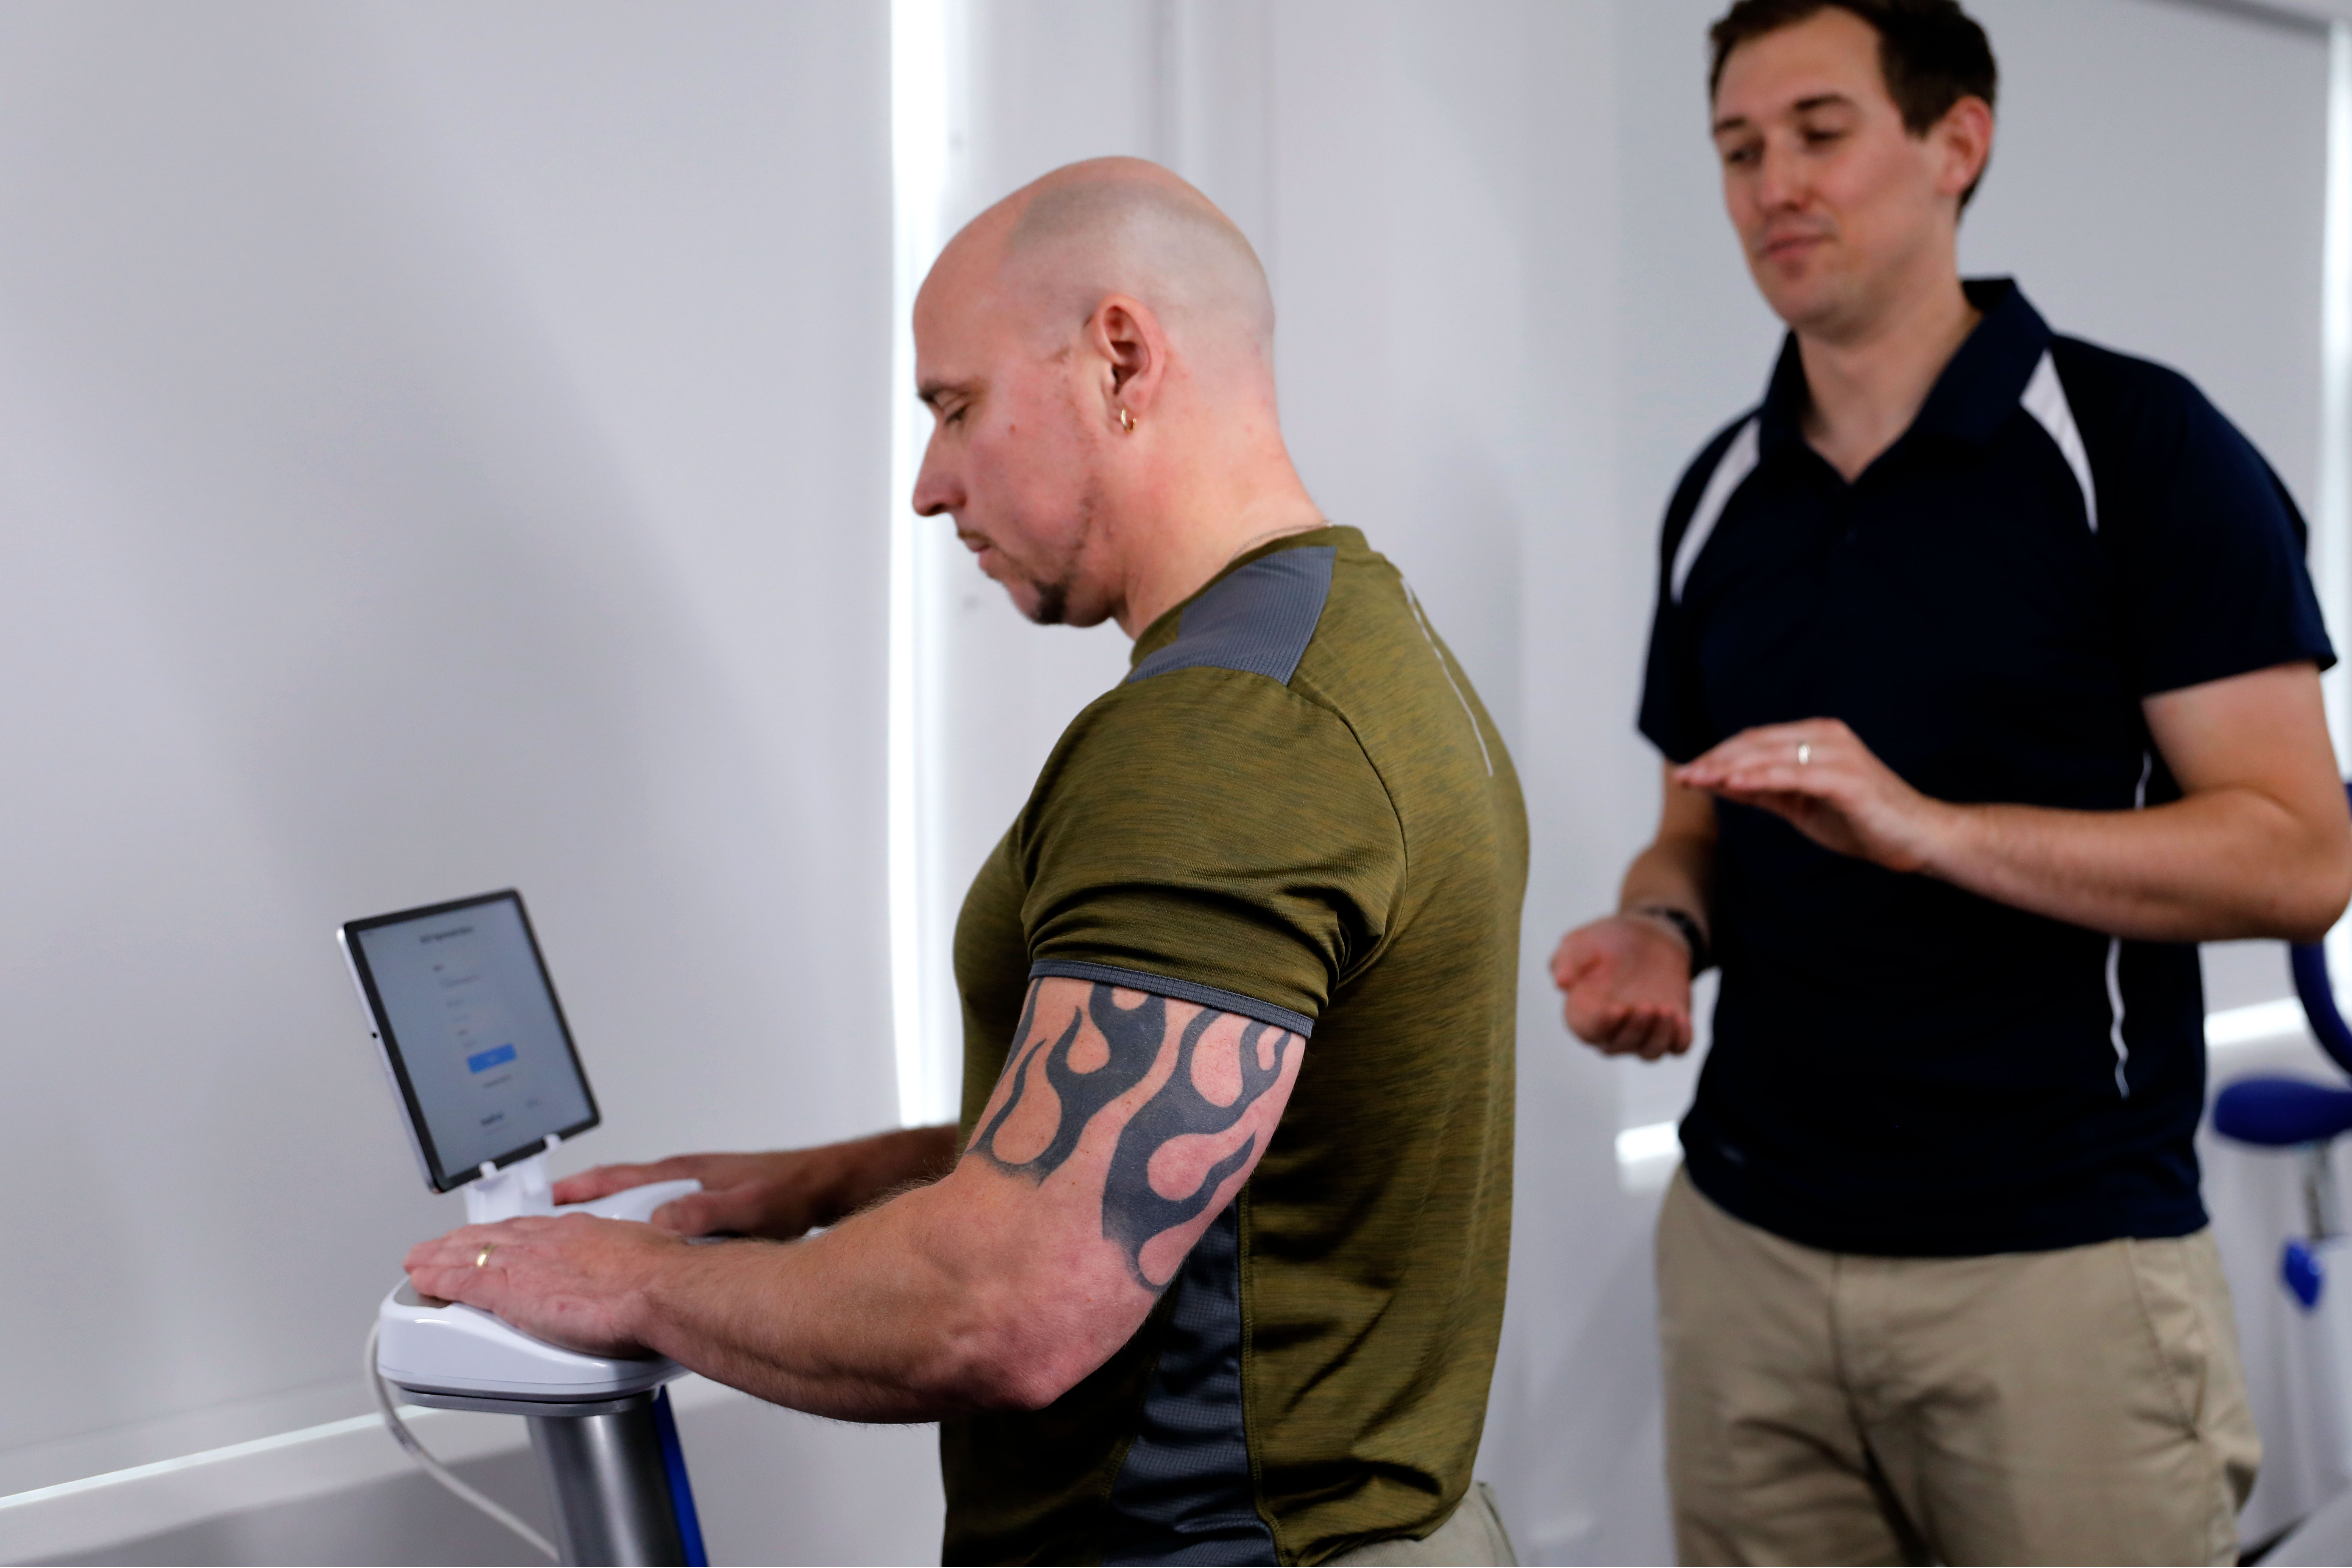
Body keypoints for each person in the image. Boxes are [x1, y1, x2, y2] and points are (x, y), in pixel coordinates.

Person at [405, 157, 1527, 1568]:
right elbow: (1218, 1148)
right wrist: (825, 1180)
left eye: (956, 406)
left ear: (1121, 358)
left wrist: (641, 1280)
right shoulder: (1363, 644)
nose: (934, 486)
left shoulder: (1230, 738)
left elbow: (1010, 1303)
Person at [1550, 1, 2352, 1562]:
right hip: (1743, 1258)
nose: (1769, 182)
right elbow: (1687, 836)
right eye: (1735, 148)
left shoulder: (2139, 450)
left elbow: (2296, 857)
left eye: (1816, 131)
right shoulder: (1719, 490)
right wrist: (1659, 927)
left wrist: (1925, 833)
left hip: (2055, 1270)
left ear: (1952, 144)